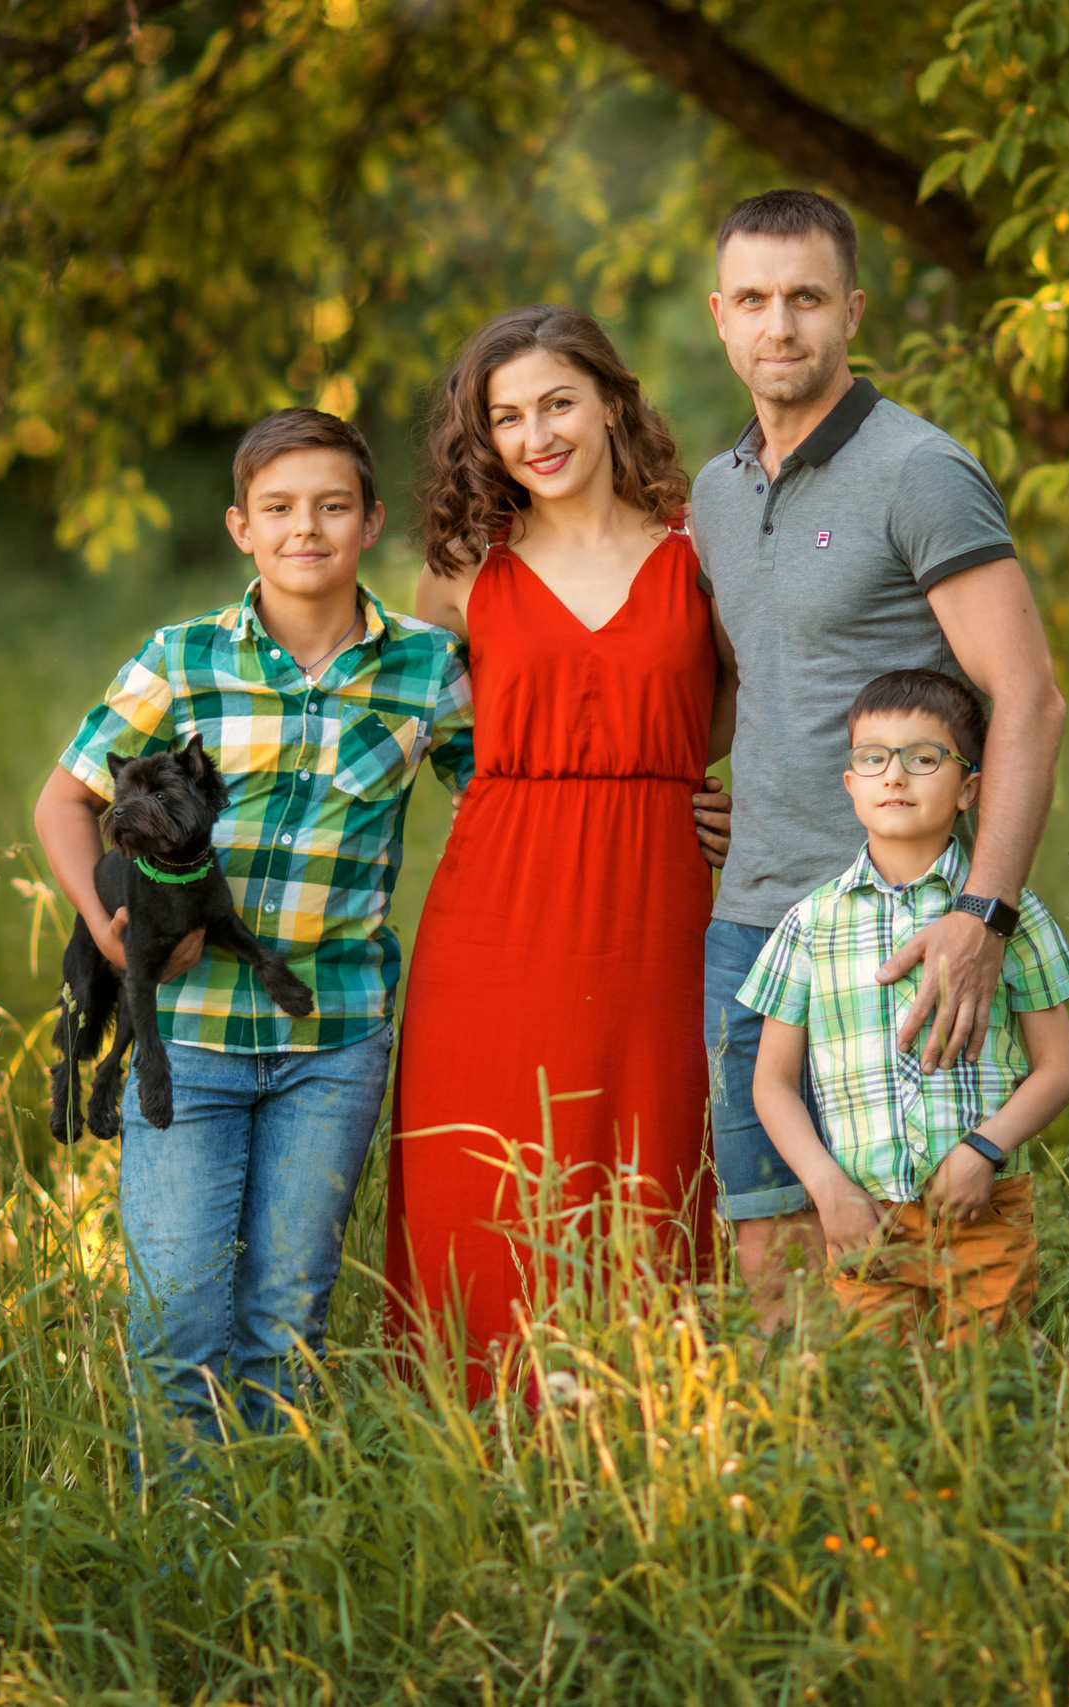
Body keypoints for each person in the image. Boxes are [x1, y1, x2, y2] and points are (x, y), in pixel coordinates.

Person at [33, 408, 474, 1436]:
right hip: (187, 1038)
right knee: (178, 1311)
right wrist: (108, 929)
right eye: (278, 508)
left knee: (286, 1319)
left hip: (335, 1041)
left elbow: (508, 794)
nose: (304, 529)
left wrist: (668, 796)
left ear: (371, 523)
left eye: (331, 506)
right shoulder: (183, 659)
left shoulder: (427, 670)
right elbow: (64, 800)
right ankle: (184, 1564)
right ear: (241, 527)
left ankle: (277, 1555)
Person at [693, 189, 1069, 1330]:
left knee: (926, 1259)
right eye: (753, 300)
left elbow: (1031, 701)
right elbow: (751, 682)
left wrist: (983, 916)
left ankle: (935, 1489)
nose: (780, 327)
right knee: (770, 1252)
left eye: (805, 297)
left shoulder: (919, 471)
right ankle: (813, 1497)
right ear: (719, 317)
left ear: (851, 310)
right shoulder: (716, 492)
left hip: (900, 933)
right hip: (753, 928)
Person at [386, 305, 731, 1391]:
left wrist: (730, 795)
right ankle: (468, 1439)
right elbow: (401, 723)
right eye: (506, 418)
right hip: (498, 903)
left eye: (556, 403)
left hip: (657, 890)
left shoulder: (703, 542)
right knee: (485, 1178)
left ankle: (652, 1424)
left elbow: (756, 697)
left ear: (613, 402)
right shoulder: (457, 570)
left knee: (654, 1154)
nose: (536, 435)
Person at [738, 670, 1069, 1343]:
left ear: (969, 789)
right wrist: (828, 1188)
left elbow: (1060, 1067)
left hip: (982, 1208)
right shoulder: (810, 923)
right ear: (850, 783)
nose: (894, 776)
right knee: (877, 1408)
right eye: (873, 758)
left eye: (923, 758)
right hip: (864, 1217)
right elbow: (772, 1082)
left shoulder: (1008, 919)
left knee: (989, 1399)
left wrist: (986, 1147)